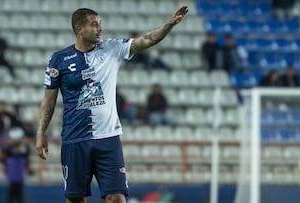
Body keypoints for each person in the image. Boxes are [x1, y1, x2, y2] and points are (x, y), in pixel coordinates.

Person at [35, 7, 188, 203]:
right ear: (79, 28)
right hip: (75, 139)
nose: (101, 28)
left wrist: (168, 25)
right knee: (75, 199)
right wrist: (41, 133)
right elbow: (49, 100)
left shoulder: (112, 48)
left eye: (100, 23)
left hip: (108, 139)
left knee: (117, 198)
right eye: (95, 24)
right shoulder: (59, 60)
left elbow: (147, 40)